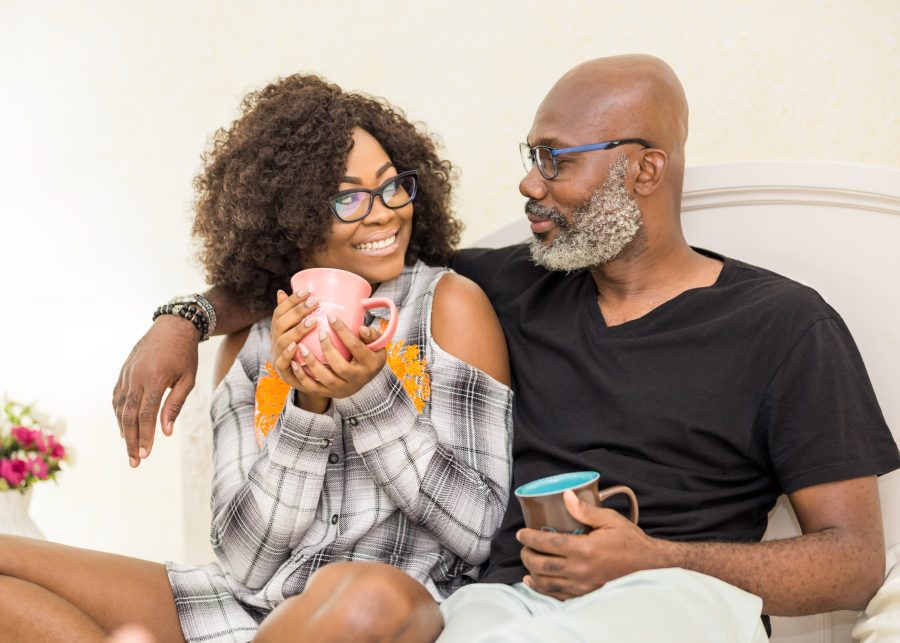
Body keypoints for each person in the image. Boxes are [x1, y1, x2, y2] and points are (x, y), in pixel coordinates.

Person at [113, 55, 900, 642]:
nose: (529, 184)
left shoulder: (784, 325)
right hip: (500, 602)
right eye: (531, 157)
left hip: (676, 598)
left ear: (644, 169)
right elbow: (321, 254)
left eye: (555, 159)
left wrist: (656, 556)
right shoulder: (511, 284)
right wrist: (184, 319)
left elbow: (854, 559)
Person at [2, 74, 513, 643]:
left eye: (393, 186)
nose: (384, 214)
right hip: (246, 607)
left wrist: (371, 397)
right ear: (291, 219)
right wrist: (307, 408)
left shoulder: (448, 307)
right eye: (348, 198)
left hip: (391, 597)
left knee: (363, 597)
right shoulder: (250, 346)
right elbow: (246, 567)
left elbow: (479, 531)